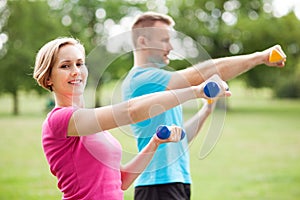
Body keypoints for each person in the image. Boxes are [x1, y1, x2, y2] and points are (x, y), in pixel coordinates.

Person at [32, 37, 231, 200]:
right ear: (48, 77)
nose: (76, 71)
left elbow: (122, 180)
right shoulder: (59, 120)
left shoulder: (91, 124)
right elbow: (131, 111)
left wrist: (155, 142)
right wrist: (196, 91)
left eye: (79, 63)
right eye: (65, 66)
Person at [121, 11, 286, 200]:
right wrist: (260, 57)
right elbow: (202, 73)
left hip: (177, 182)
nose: (171, 46)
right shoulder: (142, 80)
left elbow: (179, 139)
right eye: (165, 40)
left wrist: (206, 110)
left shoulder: (160, 85)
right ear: (143, 42)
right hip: (156, 188)